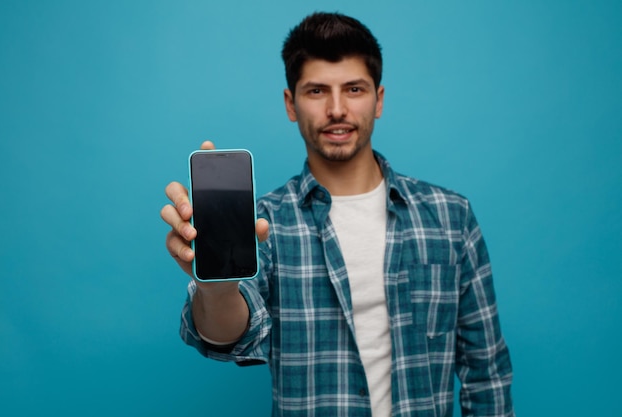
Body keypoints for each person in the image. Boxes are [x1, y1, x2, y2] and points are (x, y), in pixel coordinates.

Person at [161, 12, 515, 417]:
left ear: (378, 99)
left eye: (354, 89)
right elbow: (229, 337)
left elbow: (485, 372)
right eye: (316, 91)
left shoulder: (451, 218)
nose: (336, 108)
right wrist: (216, 289)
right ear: (290, 104)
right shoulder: (263, 224)